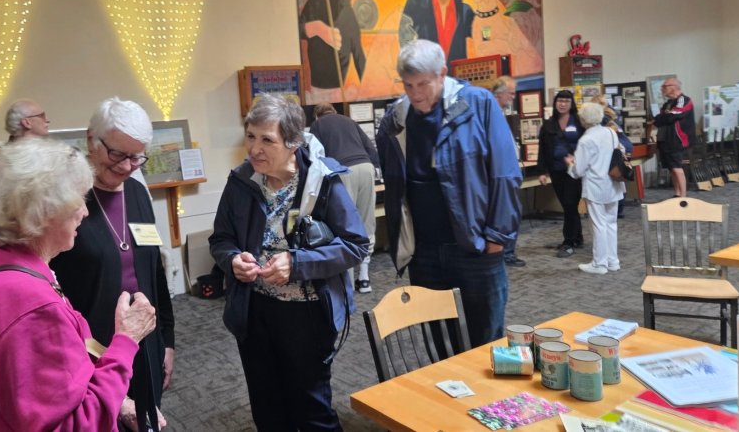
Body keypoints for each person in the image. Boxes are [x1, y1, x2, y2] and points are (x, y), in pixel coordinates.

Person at [0, 139, 159, 431]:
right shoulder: (29, 302)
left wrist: (117, 400)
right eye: (78, 201)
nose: (84, 212)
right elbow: (76, 425)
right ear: (43, 213)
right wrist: (127, 340)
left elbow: (41, 383)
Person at [209, 94, 369, 431]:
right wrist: (232, 260)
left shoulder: (321, 182)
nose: (254, 149)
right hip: (254, 311)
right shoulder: (240, 182)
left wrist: (296, 264)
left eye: (267, 139)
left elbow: (356, 245)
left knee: (311, 411)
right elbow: (221, 239)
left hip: (306, 315)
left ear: (293, 142)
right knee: (267, 409)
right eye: (250, 137)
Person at [376, 39, 521, 350]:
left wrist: (497, 237)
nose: (415, 93)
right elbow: (395, 184)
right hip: (424, 252)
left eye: (423, 84)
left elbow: (505, 173)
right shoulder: (396, 119)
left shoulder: (478, 104)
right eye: (408, 84)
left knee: (485, 342)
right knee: (440, 341)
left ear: (442, 74)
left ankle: (487, 401)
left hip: (475, 247)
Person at [51, 97, 174, 432]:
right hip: (91, 352)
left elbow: (154, 272)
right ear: (92, 139)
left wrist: (167, 339)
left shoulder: (136, 192)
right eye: (117, 154)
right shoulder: (66, 203)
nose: (126, 166)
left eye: (136, 156)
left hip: (145, 342)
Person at [310, 102, 380, 292]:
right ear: (334, 112)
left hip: (342, 171)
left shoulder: (317, 126)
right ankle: (364, 278)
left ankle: (347, 281)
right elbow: (371, 148)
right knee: (367, 221)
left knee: (345, 224)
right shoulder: (350, 121)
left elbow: (315, 156)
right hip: (366, 168)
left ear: (317, 116)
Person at [564, 103, 625, 275]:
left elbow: (579, 170)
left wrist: (570, 164)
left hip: (596, 186)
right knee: (611, 223)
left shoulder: (585, 140)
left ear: (583, 119)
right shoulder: (610, 132)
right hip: (614, 182)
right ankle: (613, 260)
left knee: (598, 224)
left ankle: (599, 264)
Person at [537, 90, 585, 257]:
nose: (562, 104)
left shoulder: (579, 122)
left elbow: (586, 144)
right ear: (555, 103)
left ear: (571, 104)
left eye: (566, 101)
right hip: (556, 169)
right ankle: (577, 236)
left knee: (571, 204)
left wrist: (579, 158)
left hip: (575, 171)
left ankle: (569, 241)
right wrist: (542, 171)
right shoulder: (548, 124)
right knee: (567, 205)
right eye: (559, 101)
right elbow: (542, 149)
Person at [491, 76, 525, 267]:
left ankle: (507, 252)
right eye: (511, 93)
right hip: (501, 176)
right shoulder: (492, 115)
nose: (513, 97)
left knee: (513, 213)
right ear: (500, 93)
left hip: (509, 173)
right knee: (508, 215)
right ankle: (506, 254)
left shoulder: (500, 114)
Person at [590, 94, 633, 218]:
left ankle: (618, 209)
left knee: (615, 177)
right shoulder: (612, 116)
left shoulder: (603, 119)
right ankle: (619, 208)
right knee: (619, 179)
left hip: (617, 150)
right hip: (623, 148)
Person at [654, 77, 695, 197]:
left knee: (677, 167)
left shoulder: (684, 100)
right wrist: (661, 118)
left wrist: (662, 118)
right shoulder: (668, 103)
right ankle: (677, 194)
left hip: (677, 140)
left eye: (664, 86)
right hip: (665, 140)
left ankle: (683, 196)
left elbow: (674, 115)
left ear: (673, 87)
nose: (662, 89)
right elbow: (659, 120)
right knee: (671, 168)